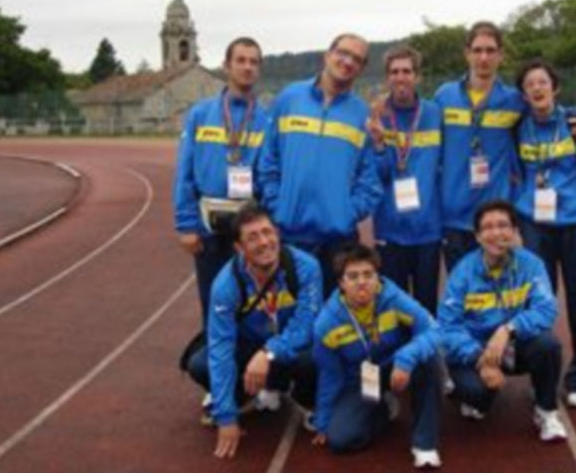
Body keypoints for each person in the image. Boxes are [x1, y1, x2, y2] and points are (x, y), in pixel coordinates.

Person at [435, 21, 576, 271]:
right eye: (477, 50)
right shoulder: (444, 96)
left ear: (501, 55)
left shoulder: (513, 99)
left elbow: (549, 110)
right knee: (463, 297)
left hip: (496, 220)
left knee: (502, 299)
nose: (483, 57)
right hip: (454, 216)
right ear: (467, 53)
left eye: (490, 50)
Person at [513, 59, 576, 408]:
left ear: (554, 88)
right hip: (535, 226)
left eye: (543, 82)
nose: (537, 88)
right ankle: (542, 375)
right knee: (538, 302)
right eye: (530, 84)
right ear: (523, 94)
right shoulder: (518, 128)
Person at [187, 202, 323, 459]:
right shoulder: (226, 285)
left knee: (318, 352)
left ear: (278, 235)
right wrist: (226, 416)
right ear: (239, 248)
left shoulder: (305, 267)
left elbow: (307, 325)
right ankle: (245, 397)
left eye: (267, 233)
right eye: (252, 237)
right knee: (199, 364)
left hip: (288, 349)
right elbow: (221, 348)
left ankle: (303, 396)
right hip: (249, 349)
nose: (263, 242)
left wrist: (269, 352)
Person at [257, 33, 383, 295]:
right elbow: (268, 160)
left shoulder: (362, 114)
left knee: (335, 326)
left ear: (360, 69)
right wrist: (278, 206)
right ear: (328, 55)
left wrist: (345, 213)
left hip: (338, 242)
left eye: (357, 59)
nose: (348, 62)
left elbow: (369, 182)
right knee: (290, 319)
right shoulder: (289, 98)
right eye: (343, 53)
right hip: (290, 235)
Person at [438, 200, 567, 442]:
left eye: (503, 225)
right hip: (474, 350)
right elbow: (447, 327)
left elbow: (547, 308)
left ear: (515, 231)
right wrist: (480, 358)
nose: (496, 233)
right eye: (487, 227)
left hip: (511, 345)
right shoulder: (463, 273)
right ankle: (473, 394)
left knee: (548, 345)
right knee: (477, 396)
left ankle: (546, 411)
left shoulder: (531, 265)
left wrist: (509, 329)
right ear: (477, 236)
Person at [312, 243, 442, 468]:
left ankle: (425, 444)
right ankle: (382, 409)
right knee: (340, 439)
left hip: (395, 364)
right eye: (352, 276)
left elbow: (433, 329)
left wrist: (406, 358)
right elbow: (330, 374)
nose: (362, 282)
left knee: (429, 359)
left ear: (377, 278)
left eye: (368, 274)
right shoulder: (326, 323)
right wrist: (323, 420)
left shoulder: (393, 298)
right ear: (341, 283)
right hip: (360, 380)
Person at [173, 37, 268, 329]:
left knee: (254, 307)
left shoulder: (267, 119)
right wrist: (186, 225)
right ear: (227, 66)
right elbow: (185, 172)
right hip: (208, 228)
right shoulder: (201, 114)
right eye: (241, 60)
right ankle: (218, 372)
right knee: (215, 305)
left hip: (250, 228)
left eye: (253, 62)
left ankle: (250, 371)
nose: (247, 67)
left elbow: (269, 176)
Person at [366, 45, 442, 314]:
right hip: (390, 230)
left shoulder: (435, 113)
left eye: (407, 71)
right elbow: (378, 176)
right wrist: (378, 145)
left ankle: (426, 356)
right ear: (387, 77)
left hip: (428, 230)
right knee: (392, 309)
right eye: (395, 72)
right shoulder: (376, 117)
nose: (401, 77)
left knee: (426, 307)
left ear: (417, 77)